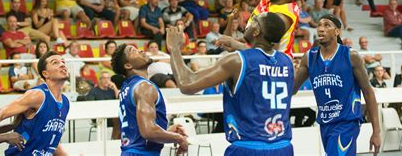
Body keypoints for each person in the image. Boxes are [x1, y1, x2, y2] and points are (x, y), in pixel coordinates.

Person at [167, 12, 293, 155]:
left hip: (248, 147)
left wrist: (174, 49)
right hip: (283, 147)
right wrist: (238, 44)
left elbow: (186, 83)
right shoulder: (287, 62)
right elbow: (262, 56)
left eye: (254, 21)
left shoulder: (237, 61)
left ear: (257, 31)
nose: (248, 24)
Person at [293, 14, 381, 156]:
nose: (321, 29)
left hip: (347, 122)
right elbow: (292, 89)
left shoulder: (350, 56)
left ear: (337, 31)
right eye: (319, 25)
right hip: (325, 123)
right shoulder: (309, 57)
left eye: (327, 25)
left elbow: (368, 91)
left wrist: (376, 131)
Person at [0, 51, 70, 155]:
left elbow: (52, 142)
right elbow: (2, 113)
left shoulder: (65, 102)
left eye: (63, 62)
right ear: (45, 74)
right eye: (55, 63)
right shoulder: (38, 95)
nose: (62, 65)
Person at [111, 44, 188, 155]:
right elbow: (148, 132)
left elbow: (138, 132)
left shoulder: (127, 87)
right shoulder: (144, 87)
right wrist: (179, 139)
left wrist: (167, 132)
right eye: (134, 51)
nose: (141, 50)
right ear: (128, 65)